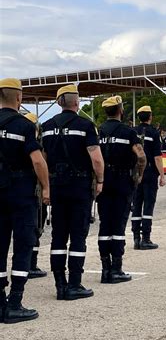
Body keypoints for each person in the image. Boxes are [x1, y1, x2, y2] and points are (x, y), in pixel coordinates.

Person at [42, 84, 104, 301]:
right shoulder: (86, 125)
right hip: (79, 187)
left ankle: (60, 284)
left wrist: (45, 186)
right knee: (78, 235)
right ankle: (75, 284)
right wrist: (100, 180)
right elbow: (96, 158)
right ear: (76, 102)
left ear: (60, 103)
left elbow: (43, 159)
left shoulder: (46, 126)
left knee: (58, 236)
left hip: (56, 185)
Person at [0, 78, 49, 323]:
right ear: (19, 98)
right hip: (20, 194)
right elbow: (38, 161)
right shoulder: (24, 125)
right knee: (22, 245)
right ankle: (15, 302)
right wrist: (46, 187)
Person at [97, 96, 146, 284]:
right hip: (122, 182)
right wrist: (138, 176)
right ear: (120, 110)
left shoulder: (99, 131)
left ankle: (105, 268)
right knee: (118, 226)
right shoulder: (128, 132)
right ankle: (116, 269)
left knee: (105, 224)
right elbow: (141, 157)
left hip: (104, 182)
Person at [131, 106, 166, 250]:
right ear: (150, 116)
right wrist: (162, 175)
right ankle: (146, 238)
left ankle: (136, 239)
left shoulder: (132, 132)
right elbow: (157, 157)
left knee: (136, 205)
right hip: (150, 173)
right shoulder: (154, 132)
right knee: (148, 205)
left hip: (136, 173)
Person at [23, 112, 48, 279]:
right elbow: (39, 163)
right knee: (35, 226)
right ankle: (30, 265)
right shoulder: (33, 143)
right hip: (32, 190)